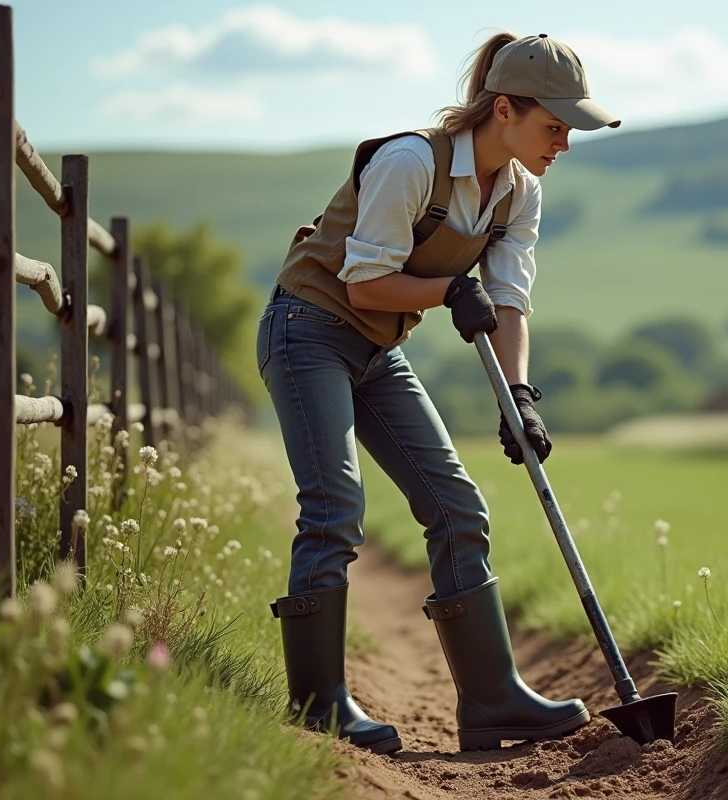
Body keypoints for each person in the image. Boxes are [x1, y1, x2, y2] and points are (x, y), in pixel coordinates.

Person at [256, 32, 620, 755]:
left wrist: (519, 398)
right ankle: (319, 707)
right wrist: (451, 288)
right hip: (308, 330)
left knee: (458, 507)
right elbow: (364, 281)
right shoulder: (408, 163)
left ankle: (492, 703)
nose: (565, 144)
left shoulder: (520, 191)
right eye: (555, 126)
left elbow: (510, 299)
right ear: (505, 109)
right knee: (334, 508)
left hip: (377, 347)